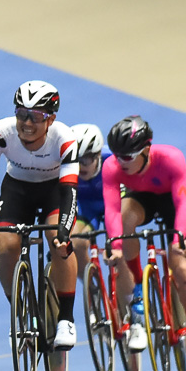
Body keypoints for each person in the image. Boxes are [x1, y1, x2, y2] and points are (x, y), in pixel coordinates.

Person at [0, 81, 80, 350]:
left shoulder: (65, 139)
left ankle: (66, 318)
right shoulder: (0, 132)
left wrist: (64, 230)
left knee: (58, 241)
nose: (26, 123)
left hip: (55, 191)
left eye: (36, 116)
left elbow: (70, 192)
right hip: (18, 190)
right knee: (6, 248)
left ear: (50, 119)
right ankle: (21, 313)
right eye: (21, 113)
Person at [102, 115, 186, 371]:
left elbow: (183, 204)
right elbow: (113, 211)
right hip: (142, 198)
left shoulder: (171, 158)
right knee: (126, 221)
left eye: (128, 156)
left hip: (173, 201)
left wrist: (178, 239)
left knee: (182, 267)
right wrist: (115, 246)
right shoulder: (112, 168)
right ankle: (140, 282)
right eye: (117, 155)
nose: (120, 162)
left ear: (147, 150)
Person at [69, 122, 146, 351]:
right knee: (74, 244)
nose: (82, 166)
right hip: (88, 210)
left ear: (97, 155)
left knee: (117, 253)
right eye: (77, 160)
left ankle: (135, 320)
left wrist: (116, 242)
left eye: (87, 159)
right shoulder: (66, 170)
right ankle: (93, 290)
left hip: (114, 206)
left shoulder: (114, 164)